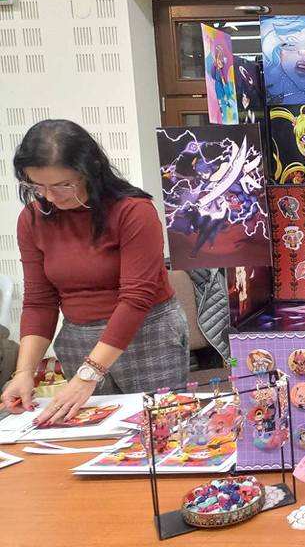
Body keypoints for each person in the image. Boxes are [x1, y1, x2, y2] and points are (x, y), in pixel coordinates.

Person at [0, 120, 189, 425]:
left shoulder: (133, 211)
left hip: (147, 336)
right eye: (37, 186)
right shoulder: (32, 219)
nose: (50, 196)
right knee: (93, 436)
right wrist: (24, 372)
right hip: (79, 339)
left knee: (161, 431)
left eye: (62, 185)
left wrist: (89, 374)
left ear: (90, 170)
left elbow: (136, 298)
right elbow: (39, 301)